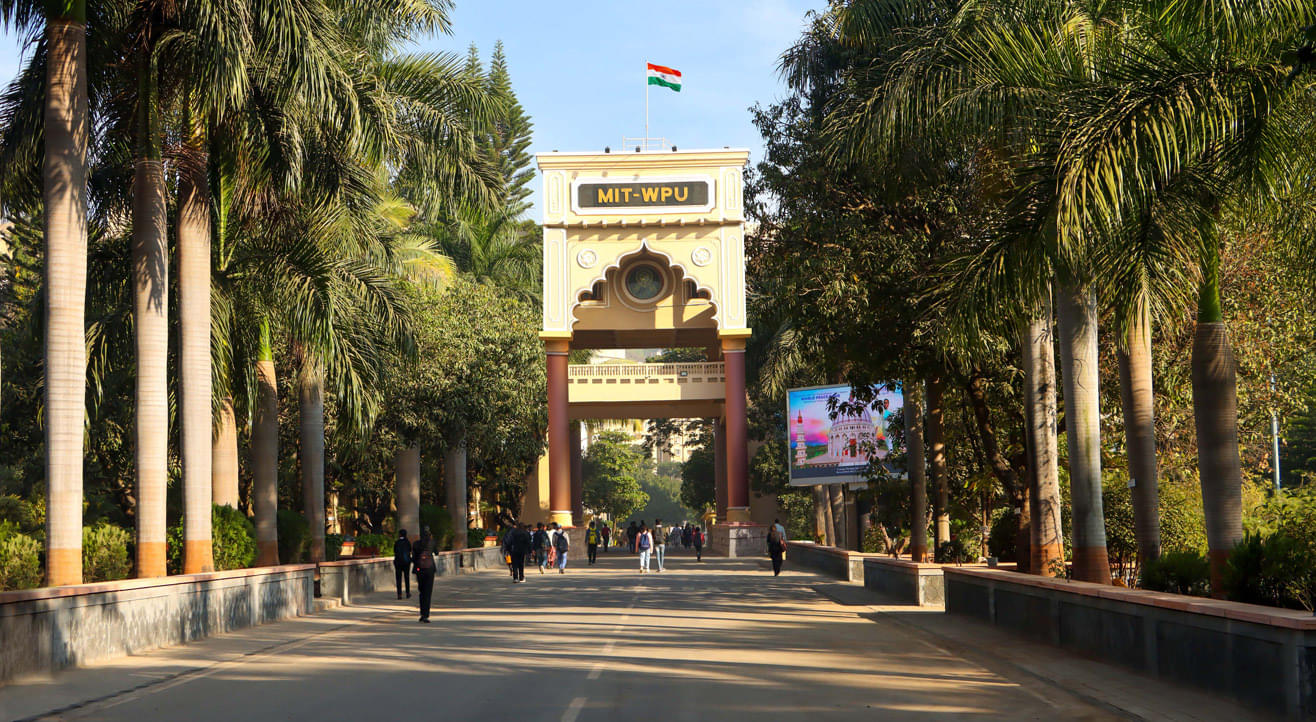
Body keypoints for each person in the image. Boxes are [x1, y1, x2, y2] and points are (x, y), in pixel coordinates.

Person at [412, 527, 437, 623]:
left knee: (421, 592)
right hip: (430, 570)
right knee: (428, 592)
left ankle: (422, 614)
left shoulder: (416, 544)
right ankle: (426, 614)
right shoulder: (432, 543)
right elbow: (437, 552)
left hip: (420, 569)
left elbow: (413, 558)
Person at [393, 529, 411, 599]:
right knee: (407, 577)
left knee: (398, 578)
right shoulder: (407, 542)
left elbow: (394, 551)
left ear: (400, 534)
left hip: (398, 562)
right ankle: (407, 593)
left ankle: (399, 594)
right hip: (406, 562)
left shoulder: (397, 542)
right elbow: (410, 550)